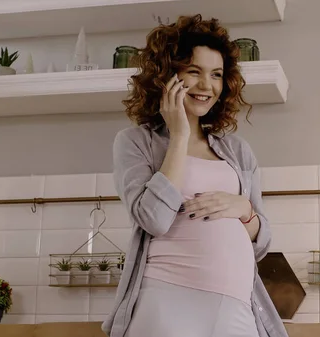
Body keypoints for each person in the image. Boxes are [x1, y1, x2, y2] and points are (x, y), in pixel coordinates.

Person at [101, 14, 288, 337]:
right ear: (167, 77)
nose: (207, 85)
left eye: (216, 74)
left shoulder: (238, 151)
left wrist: (245, 210)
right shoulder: (135, 142)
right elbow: (154, 219)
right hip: (167, 301)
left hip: (237, 305)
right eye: (193, 72)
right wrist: (179, 136)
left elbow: (262, 243)